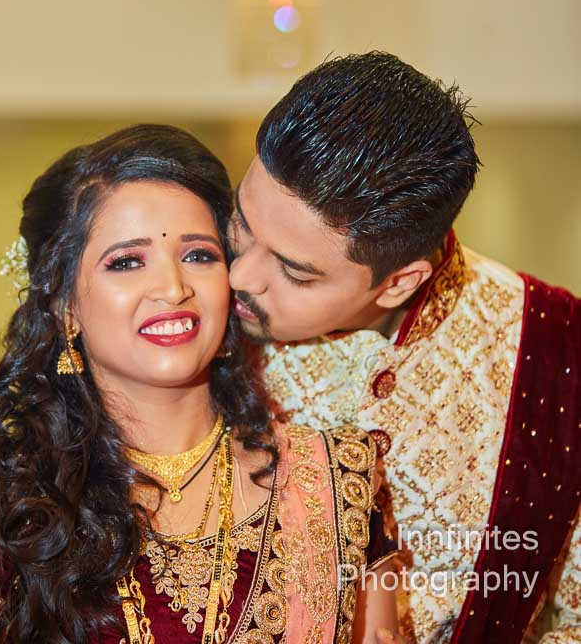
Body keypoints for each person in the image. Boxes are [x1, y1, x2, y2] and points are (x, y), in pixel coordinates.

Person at [0, 123, 399, 644]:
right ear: (66, 306)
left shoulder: (333, 481)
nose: (173, 288)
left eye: (198, 255)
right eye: (126, 262)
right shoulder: (11, 509)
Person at [228, 52, 580, 644]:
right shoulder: (192, 310)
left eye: (294, 271)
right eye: (241, 222)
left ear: (398, 283)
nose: (240, 276)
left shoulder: (557, 348)